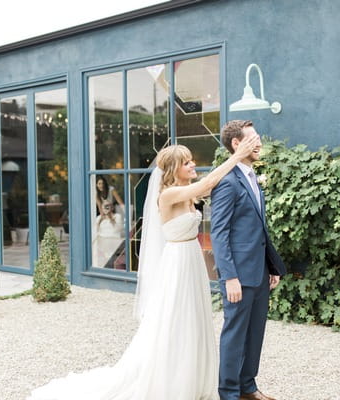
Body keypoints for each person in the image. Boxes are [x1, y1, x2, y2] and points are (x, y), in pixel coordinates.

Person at [26, 133, 260, 400]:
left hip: (192, 261)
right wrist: (237, 156)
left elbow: (212, 183)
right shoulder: (169, 194)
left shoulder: (187, 193)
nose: (194, 165)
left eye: (192, 161)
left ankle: (193, 377)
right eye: (187, 163)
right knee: (176, 319)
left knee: (194, 317)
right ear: (173, 170)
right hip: (177, 264)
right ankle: (172, 381)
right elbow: (208, 181)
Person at [210, 120, 287, 400]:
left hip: (259, 273)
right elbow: (219, 233)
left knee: (255, 334)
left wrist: (271, 267)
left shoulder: (254, 177)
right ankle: (228, 393)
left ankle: (248, 387)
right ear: (236, 144)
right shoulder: (227, 182)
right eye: (253, 138)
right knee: (234, 335)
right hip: (238, 277)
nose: (259, 142)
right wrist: (229, 276)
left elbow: (259, 232)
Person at [92, 199, 124, 268]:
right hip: (102, 244)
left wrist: (110, 217)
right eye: (104, 206)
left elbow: (117, 230)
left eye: (108, 206)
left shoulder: (117, 217)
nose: (106, 208)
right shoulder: (99, 218)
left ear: (112, 207)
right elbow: (95, 232)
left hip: (113, 243)